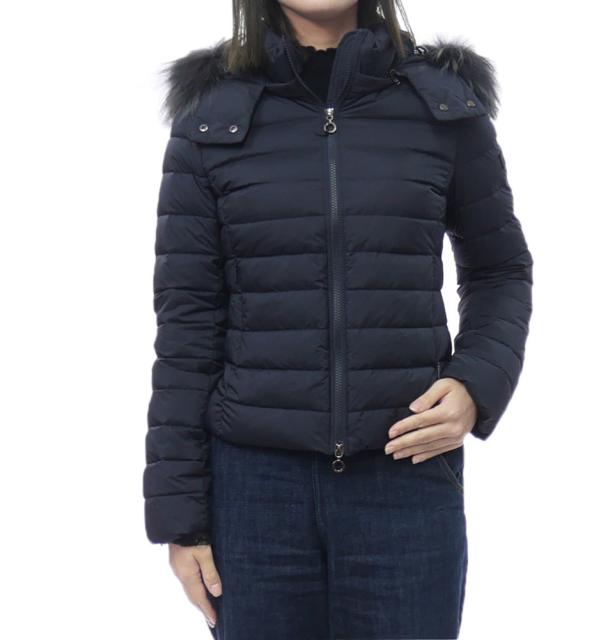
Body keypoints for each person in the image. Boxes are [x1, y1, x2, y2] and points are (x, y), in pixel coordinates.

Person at [143, 1, 534, 638]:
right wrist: (179, 519)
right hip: (253, 493)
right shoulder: (212, 117)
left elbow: (500, 270)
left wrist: (475, 384)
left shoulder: (443, 105)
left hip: (405, 475)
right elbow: (187, 324)